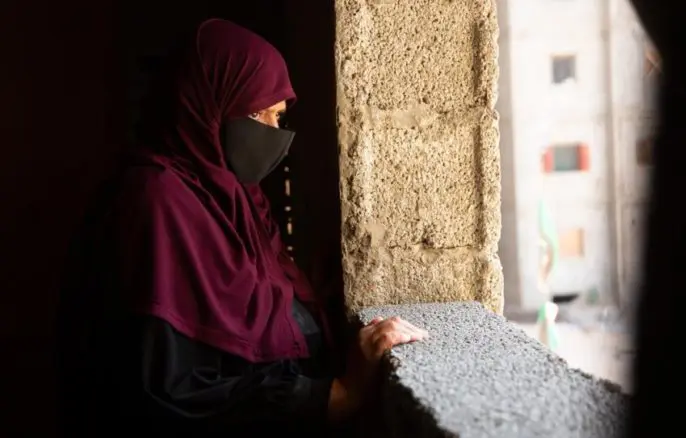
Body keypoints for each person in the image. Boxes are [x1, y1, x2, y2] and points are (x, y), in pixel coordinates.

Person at [55, 18, 428, 436]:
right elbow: (165, 389)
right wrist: (339, 394)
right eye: (256, 113)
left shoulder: (237, 200)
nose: (272, 134)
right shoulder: (156, 201)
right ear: (205, 105)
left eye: (278, 117)